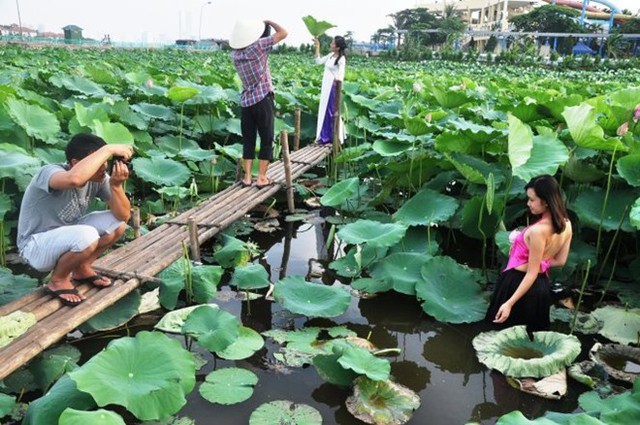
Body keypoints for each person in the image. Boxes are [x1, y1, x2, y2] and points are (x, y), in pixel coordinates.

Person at [16, 133, 134, 306]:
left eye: (105, 161)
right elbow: (75, 179)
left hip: (69, 236)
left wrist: (115, 186)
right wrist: (108, 149)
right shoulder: (49, 172)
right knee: (87, 235)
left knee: (118, 224)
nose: (104, 167)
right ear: (76, 163)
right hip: (35, 246)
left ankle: (81, 268)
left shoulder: (99, 179)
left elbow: (124, 215)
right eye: (99, 161)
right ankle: (58, 279)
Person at [486, 175, 572, 337]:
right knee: (531, 338)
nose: (528, 203)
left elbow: (531, 273)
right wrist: (541, 263)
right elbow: (560, 261)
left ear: (546, 201)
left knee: (502, 336)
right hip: (541, 288)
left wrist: (509, 303)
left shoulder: (537, 231)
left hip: (518, 284)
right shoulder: (566, 223)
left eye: (532, 200)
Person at [230, 19, 287, 188]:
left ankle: (247, 177)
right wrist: (269, 22)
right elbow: (283, 33)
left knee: (248, 139)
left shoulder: (235, 55)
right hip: (262, 99)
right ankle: (262, 177)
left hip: (246, 102)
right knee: (267, 138)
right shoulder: (258, 47)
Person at [313, 35, 346, 145]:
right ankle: (324, 135)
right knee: (324, 110)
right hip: (325, 85)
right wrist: (317, 47)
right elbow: (318, 61)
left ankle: (333, 137)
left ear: (337, 47)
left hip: (333, 87)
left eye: (332, 43)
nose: (330, 45)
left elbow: (341, 75)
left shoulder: (341, 59)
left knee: (331, 111)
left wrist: (335, 84)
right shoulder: (330, 55)